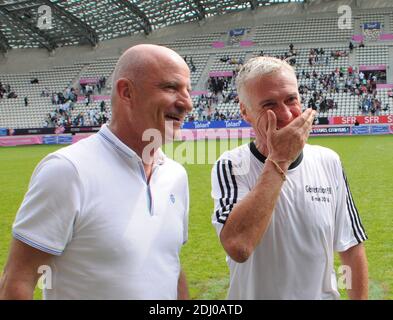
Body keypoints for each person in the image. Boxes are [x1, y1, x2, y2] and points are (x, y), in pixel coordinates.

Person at [0, 44, 193, 300]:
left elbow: (169, 264)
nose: (187, 103)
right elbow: (18, 281)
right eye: (171, 88)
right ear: (126, 92)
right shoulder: (68, 171)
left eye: (188, 91)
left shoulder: (175, 175)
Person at [211, 56, 368, 300]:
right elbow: (239, 246)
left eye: (291, 99)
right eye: (269, 104)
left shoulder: (329, 161)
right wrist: (280, 158)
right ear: (245, 111)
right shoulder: (232, 165)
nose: (285, 114)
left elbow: (349, 246)